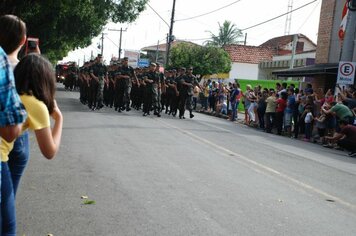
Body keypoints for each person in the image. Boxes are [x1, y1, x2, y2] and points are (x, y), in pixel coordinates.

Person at [1, 54, 63, 235]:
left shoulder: (8, 95)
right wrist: (59, 119)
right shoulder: (36, 104)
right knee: (7, 228)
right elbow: (49, 151)